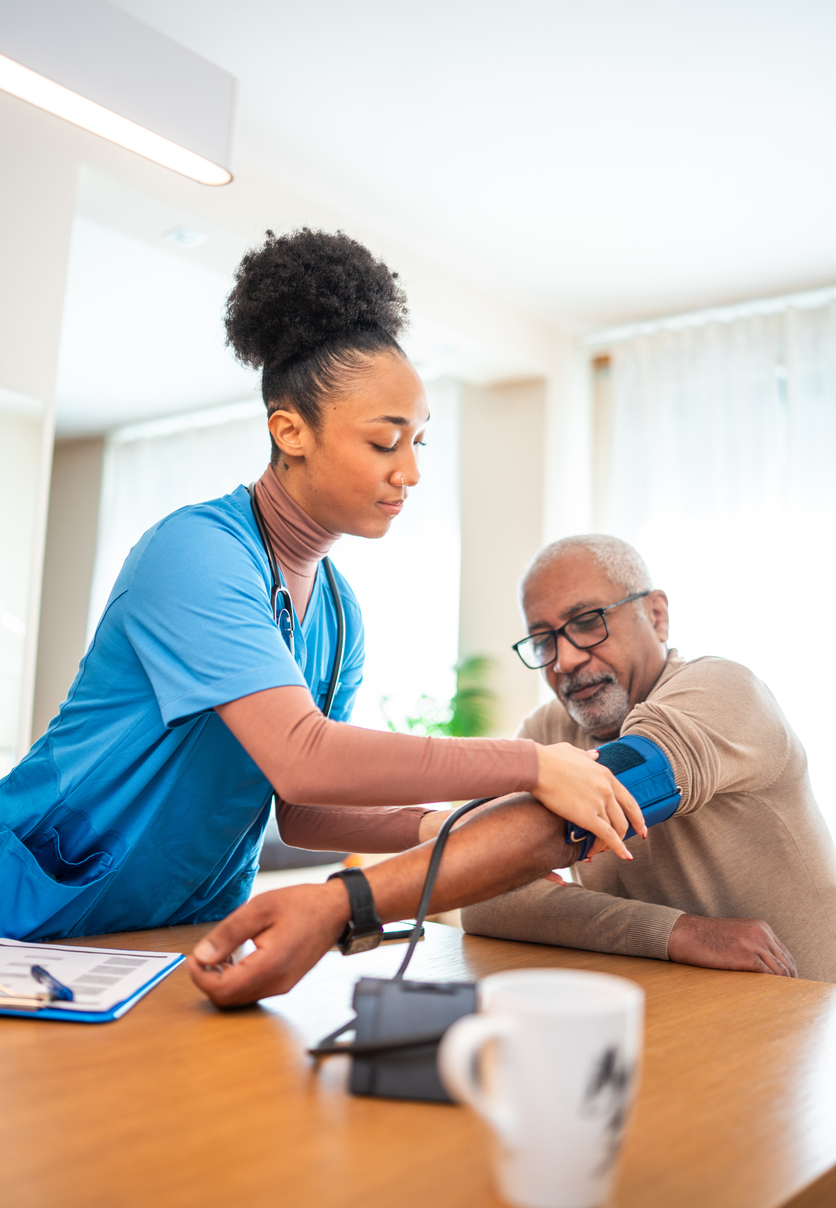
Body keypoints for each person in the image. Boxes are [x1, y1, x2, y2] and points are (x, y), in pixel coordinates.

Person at [0, 230, 642, 944]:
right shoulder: (195, 554)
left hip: (170, 926)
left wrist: (445, 828)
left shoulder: (338, 615)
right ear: (291, 430)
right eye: (383, 441)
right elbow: (304, 757)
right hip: (28, 908)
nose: (411, 472)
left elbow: (302, 811)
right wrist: (529, 766)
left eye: (418, 442)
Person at [460, 535, 836, 983]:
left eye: (586, 621)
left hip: (810, 1016)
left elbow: (621, 786)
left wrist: (489, 857)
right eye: (543, 642)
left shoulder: (723, 689)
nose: (564, 659)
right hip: (668, 1008)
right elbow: (478, 894)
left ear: (656, 616)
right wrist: (674, 932)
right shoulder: (548, 731)